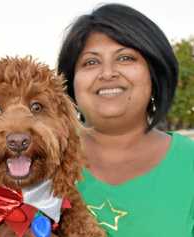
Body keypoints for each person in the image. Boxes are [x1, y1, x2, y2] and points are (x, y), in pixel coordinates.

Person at [57, 3, 194, 237]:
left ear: (154, 72)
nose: (107, 73)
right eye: (91, 62)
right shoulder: (41, 160)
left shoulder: (189, 163)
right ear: (70, 82)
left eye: (125, 58)